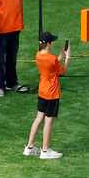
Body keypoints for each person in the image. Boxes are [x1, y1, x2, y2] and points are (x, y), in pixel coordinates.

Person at [24, 32, 70, 160]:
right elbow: (63, 70)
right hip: (52, 93)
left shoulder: (38, 55)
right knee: (48, 121)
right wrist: (67, 57)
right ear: (49, 43)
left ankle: (29, 147)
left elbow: (51, 65)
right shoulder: (52, 59)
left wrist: (60, 57)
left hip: (42, 91)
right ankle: (45, 150)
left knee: (38, 118)